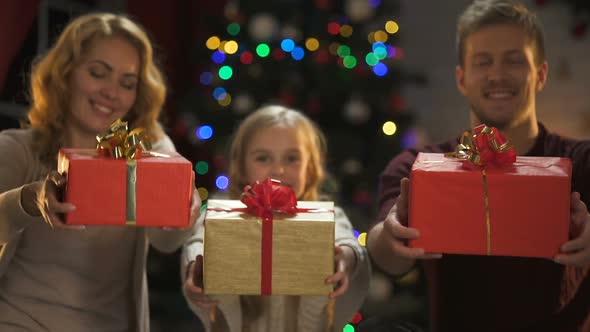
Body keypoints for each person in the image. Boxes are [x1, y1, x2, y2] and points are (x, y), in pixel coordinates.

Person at [366, 1, 590, 331]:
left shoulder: (581, 161)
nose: (497, 75)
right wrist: (392, 233)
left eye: (514, 60)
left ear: (540, 74)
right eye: (482, 62)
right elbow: (384, 254)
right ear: (461, 78)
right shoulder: (419, 166)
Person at [0, 13, 201, 331]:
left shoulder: (147, 150)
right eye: (98, 73)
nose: (111, 92)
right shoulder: (18, 149)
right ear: (65, 74)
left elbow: (167, 240)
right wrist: (30, 200)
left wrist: (182, 208)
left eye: (127, 83)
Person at [181, 105, 371, 331]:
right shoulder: (224, 213)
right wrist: (196, 266)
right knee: (219, 254)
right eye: (263, 158)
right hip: (238, 323)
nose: (278, 170)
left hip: (307, 323)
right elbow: (198, 241)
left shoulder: (326, 213)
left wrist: (344, 258)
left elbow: (347, 242)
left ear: (310, 168)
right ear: (241, 167)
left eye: (292, 159)